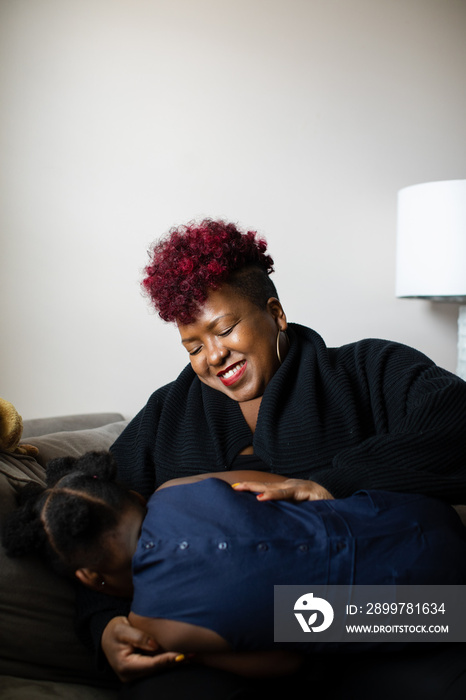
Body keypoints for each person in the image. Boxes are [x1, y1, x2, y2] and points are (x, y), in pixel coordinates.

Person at [75, 219, 466, 698]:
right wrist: (104, 627)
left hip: (372, 622)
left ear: (275, 313)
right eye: (194, 346)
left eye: (225, 329)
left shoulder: (366, 369)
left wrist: (331, 482)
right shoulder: (167, 414)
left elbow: (456, 420)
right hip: (230, 654)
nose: (213, 356)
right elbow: (85, 519)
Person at [4, 451, 466, 682]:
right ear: (135, 498)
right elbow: (275, 484)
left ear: (90, 578)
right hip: (412, 514)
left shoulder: (153, 623)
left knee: (310, 617)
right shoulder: (174, 489)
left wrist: (203, 649)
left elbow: (284, 661)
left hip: (425, 608)